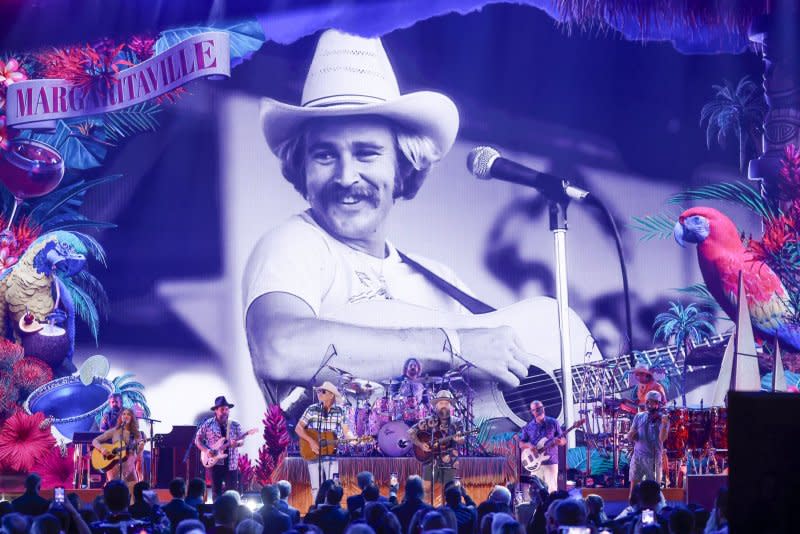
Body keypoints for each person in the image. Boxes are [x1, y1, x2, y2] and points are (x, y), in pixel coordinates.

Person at [243, 29, 539, 421]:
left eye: (367, 153)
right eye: (325, 155)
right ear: (302, 167)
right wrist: (452, 346)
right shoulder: (294, 244)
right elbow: (278, 348)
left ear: (402, 167)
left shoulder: (441, 280)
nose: (347, 176)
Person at [295, 381, 354, 499]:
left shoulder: (340, 411)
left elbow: (346, 431)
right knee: (316, 487)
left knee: (333, 486)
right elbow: (298, 428)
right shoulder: (312, 409)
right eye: (318, 391)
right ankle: (317, 511)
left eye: (323, 391)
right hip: (313, 453)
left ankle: (332, 510)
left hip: (331, 454)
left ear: (331, 395)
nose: (319, 393)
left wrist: (353, 440)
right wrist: (311, 442)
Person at [408, 390, 465, 502]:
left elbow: (462, 440)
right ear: (436, 406)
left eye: (446, 403)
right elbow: (411, 432)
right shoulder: (429, 421)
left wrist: (459, 439)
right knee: (426, 488)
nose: (443, 406)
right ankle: (425, 510)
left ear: (450, 406)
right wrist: (420, 444)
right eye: (441, 403)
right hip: (430, 458)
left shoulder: (457, 422)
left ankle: (446, 513)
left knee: (448, 489)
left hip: (449, 459)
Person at [194, 396, 246, 499]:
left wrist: (237, 443)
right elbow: (197, 440)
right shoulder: (208, 424)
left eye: (227, 409)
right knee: (216, 493)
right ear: (216, 411)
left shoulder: (235, 425)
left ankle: (231, 513)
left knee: (231, 494)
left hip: (231, 464)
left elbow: (242, 440)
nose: (225, 412)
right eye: (222, 409)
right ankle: (216, 513)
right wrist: (206, 450)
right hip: (215, 463)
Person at [518, 400, 566, 493]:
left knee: (552, 490)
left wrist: (560, 442)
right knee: (535, 490)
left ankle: (551, 507)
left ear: (543, 408)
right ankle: (538, 507)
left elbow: (563, 440)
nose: (539, 411)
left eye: (540, 408)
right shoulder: (528, 426)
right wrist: (529, 445)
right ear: (532, 412)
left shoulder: (553, 422)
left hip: (550, 461)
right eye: (535, 409)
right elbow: (521, 443)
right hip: (535, 464)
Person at [627, 391, 670, 492]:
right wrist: (630, 436)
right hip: (638, 457)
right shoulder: (639, 416)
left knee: (653, 491)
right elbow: (633, 435)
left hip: (653, 458)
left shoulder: (663, 419)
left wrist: (664, 424)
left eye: (653, 403)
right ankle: (632, 506)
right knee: (633, 490)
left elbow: (662, 438)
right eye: (647, 402)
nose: (649, 405)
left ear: (659, 404)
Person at [92, 407, 145, 483]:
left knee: (133, 492)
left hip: (129, 468)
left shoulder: (137, 434)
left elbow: (137, 455)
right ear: (121, 417)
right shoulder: (114, 431)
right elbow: (95, 441)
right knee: (115, 493)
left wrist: (140, 449)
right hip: (114, 468)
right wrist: (102, 449)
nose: (125, 416)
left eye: (128, 414)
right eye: (124, 414)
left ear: (132, 418)